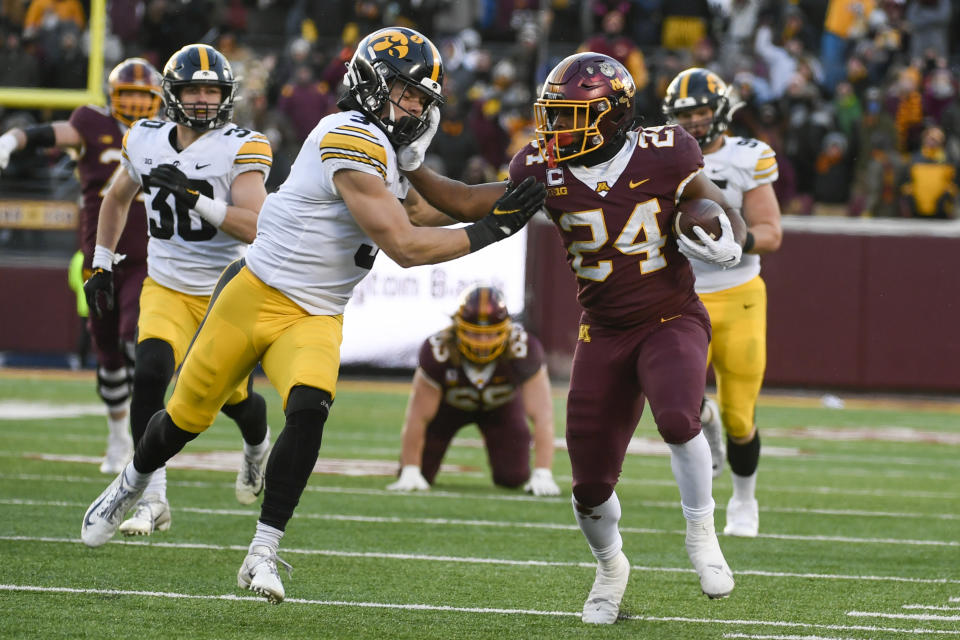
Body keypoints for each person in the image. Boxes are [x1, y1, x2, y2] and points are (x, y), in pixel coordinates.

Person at [80, 27, 546, 604]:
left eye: (424, 98)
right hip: (255, 295)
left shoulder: (388, 143)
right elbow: (404, 243)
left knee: (309, 409)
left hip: (317, 313)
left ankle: (263, 552)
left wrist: (527, 190)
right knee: (180, 420)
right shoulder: (345, 135)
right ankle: (130, 483)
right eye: (407, 93)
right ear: (373, 85)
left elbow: (439, 201)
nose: (417, 107)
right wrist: (494, 229)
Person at [403, 52, 747, 624]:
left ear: (611, 115)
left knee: (678, 418)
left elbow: (715, 205)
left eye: (568, 116)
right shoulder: (543, 169)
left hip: (671, 316)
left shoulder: (668, 151)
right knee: (588, 485)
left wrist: (731, 240)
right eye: (553, 115)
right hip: (604, 331)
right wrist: (413, 163)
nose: (555, 129)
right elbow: (464, 200)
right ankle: (611, 567)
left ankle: (701, 533)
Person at [81, 44, 275, 538]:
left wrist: (195, 199)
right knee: (149, 373)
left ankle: (256, 448)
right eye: (195, 88)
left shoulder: (241, 146)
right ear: (173, 93)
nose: (206, 99)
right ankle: (153, 497)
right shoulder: (145, 138)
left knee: (235, 402)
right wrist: (102, 262)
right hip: (166, 285)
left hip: (224, 293)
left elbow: (256, 226)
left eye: (213, 89)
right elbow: (116, 198)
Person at [0, 57, 164, 474]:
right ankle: (116, 438)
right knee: (106, 348)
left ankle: (146, 437)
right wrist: (13, 139)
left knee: (135, 335)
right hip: (100, 256)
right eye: (125, 95)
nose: (133, 104)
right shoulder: (91, 123)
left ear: (158, 100)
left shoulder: (168, 133)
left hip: (150, 256)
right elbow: (50, 133)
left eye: (142, 96)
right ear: (112, 96)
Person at [663, 67, 783, 538]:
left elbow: (772, 233)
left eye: (699, 112)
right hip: (681, 296)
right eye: (683, 114)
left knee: (740, 414)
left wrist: (737, 240)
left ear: (719, 111)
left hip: (739, 296)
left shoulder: (746, 155)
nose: (692, 122)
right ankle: (704, 421)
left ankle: (744, 501)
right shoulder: (662, 157)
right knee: (677, 402)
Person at [386, 284, 559, 497]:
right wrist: (411, 468)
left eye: (491, 334)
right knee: (418, 474)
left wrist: (543, 472)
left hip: (501, 409)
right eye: (474, 333)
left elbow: (542, 416)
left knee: (513, 477)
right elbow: (417, 417)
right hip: (447, 410)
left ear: (507, 329)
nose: (483, 341)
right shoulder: (438, 351)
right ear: (457, 327)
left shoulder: (523, 350)